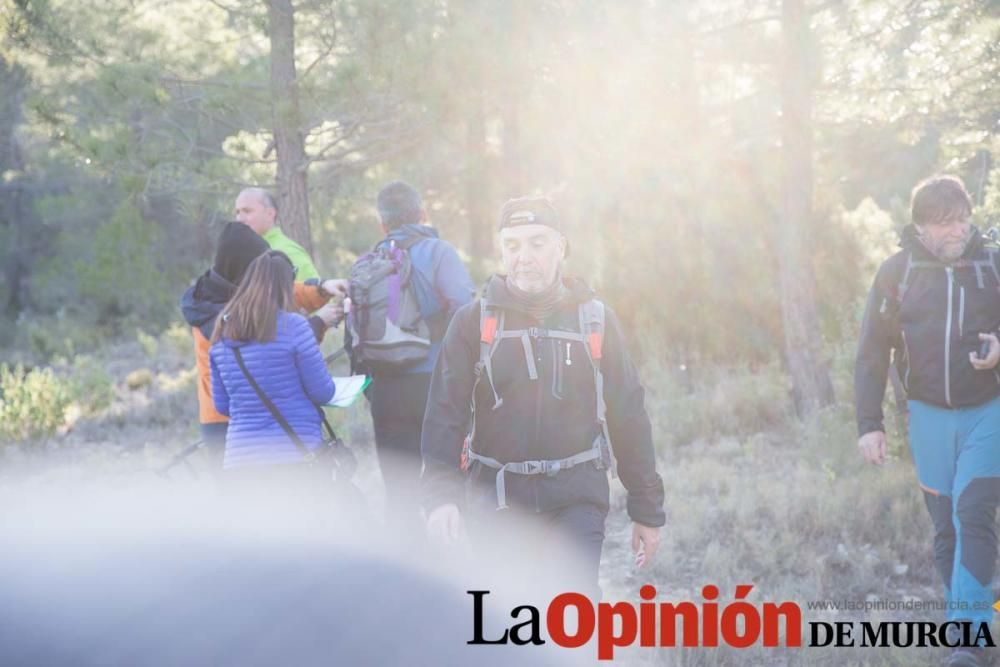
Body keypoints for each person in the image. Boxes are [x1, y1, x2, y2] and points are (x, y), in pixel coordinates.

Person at [420, 196, 665, 593]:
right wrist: (440, 497)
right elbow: (443, 415)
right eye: (512, 246)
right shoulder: (471, 323)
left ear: (561, 246)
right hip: (496, 502)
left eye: (536, 242)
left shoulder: (596, 319)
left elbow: (628, 415)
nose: (523, 257)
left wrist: (647, 509)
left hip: (576, 498)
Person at [855, 175, 1000, 667]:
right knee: (947, 531)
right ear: (921, 227)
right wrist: (868, 423)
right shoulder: (897, 274)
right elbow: (872, 352)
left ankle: (967, 644)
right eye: (946, 223)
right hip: (928, 417)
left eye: (963, 219)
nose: (960, 230)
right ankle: (967, 622)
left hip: (988, 413)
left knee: (973, 514)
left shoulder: (993, 263)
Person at [352, 181, 475, 534]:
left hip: (386, 389)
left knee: (399, 490)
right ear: (423, 214)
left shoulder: (369, 262)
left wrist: (371, 390)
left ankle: (404, 573)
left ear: (382, 224)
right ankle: (455, 566)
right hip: (435, 384)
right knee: (449, 482)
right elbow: (465, 310)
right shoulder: (438, 252)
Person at [180, 222, 344, 469]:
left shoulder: (217, 303)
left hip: (238, 448)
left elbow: (283, 292)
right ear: (247, 272)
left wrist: (321, 288)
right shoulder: (217, 315)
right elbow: (266, 345)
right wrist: (317, 324)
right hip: (239, 431)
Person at [208, 251, 337, 485]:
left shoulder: (221, 333)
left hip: (240, 464)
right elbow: (323, 392)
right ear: (286, 287)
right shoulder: (294, 326)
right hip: (295, 459)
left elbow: (222, 405)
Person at [235, 187, 320, 281]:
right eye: (238, 212)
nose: (240, 219)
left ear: (270, 214)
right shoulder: (238, 253)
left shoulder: (290, 252)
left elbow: (315, 293)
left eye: (247, 211)